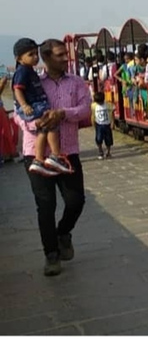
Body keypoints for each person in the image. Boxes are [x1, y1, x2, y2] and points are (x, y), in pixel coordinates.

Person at [14, 38, 92, 276]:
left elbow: (85, 109)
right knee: (45, 205)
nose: (64, 59)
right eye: (58, 55)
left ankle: (63, 233)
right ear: (46, 58)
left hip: (67, 151)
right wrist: (34, 122)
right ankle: (51, 255)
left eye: (64, 54)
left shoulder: (77, 82)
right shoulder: (32, 80)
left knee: (76, 200)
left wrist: (62, 114)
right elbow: (18, 113)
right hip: (36, 153)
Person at [12, 38, 72, 176]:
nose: (35, 57)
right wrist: (25, 105)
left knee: (43, 130)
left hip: (36, 104)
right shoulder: (23, 71)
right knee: (52, 124)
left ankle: (39, 159)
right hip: (34, 105)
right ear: (19, 58)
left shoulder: (29, 70)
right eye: (30, 55)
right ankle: (55, 156)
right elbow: (17, 89)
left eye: (35, 54)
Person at [91, 91, 114, 159]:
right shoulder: (94, 106)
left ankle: (108, 152)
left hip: (107, 124)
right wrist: (93, 123)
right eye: (98, 102)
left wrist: (112, 123)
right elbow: (92, 115)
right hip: (99, 125)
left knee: (108, 139)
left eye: (100, 102)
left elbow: (112, 114)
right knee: (98, 138)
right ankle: (100, 151)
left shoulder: (108, 105)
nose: (99, 104)